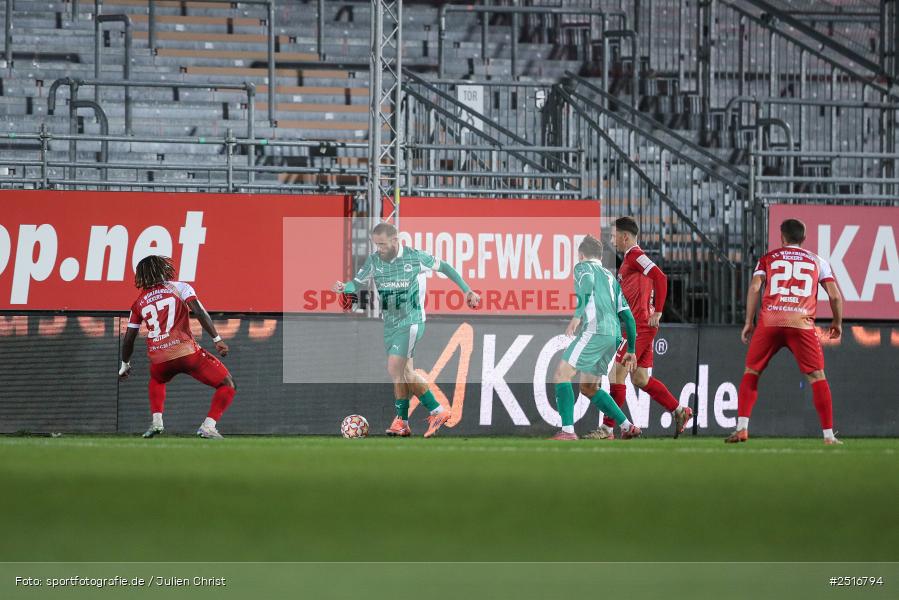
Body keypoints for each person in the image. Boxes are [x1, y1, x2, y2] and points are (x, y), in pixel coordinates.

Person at [333, 222, 480, 438]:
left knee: (395, 368)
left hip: (411, 321)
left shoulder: (415, 257)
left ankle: (438, 411)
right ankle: (402, 423)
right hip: (391, 323)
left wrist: (467, 290)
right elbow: (355, 283)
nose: (379, 248)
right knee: (402, 374)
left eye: (382, 244)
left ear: (395, 240)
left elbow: (445, 267)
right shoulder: (375, 260)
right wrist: (343, 287)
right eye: (376, 244)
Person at [726, 218, 843, 444]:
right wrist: (837, 323)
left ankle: (741, 428)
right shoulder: (818, 261)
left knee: (751, 372)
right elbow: (835, 295)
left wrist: (749, 322)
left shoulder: (767, 259)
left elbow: (754, 287)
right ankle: (829, 436)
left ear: (782, 237)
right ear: (803, 238)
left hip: (770, 321)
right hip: (801, 323)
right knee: (817, 377)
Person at [585, 217, 692, 440]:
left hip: (640, 325)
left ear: (625, 236)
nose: (612, 240)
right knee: (640, 378)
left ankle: (607, 429)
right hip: (641, 324)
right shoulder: (628, 260)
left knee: (617, 373)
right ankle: (680, 411)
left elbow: (660, 277)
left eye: (614, 236)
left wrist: (659, 311)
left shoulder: (635, 256)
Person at [119, 255, 235, 440]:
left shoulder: (138, 303)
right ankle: (208, 427)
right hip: (186, 352)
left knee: (157, 380)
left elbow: (129, 338)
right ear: (164, 269)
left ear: (141, 275)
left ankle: (157, 421)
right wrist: (217, 339)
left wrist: (125, 364)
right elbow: (199, 312)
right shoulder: (179, 287)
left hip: (160, 359)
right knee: (227, 384)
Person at [550, 235, 643, 441]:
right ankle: (627, 426)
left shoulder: (583, 268)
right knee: (589, 387)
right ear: (600, 256)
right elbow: (628, 316)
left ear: (581, 255)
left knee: (561, 375)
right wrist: (632, 350)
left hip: (595, 331)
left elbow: (588, 282)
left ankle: (567, 431)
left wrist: (577, 316)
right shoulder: (611, 278)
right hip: (613, 337)